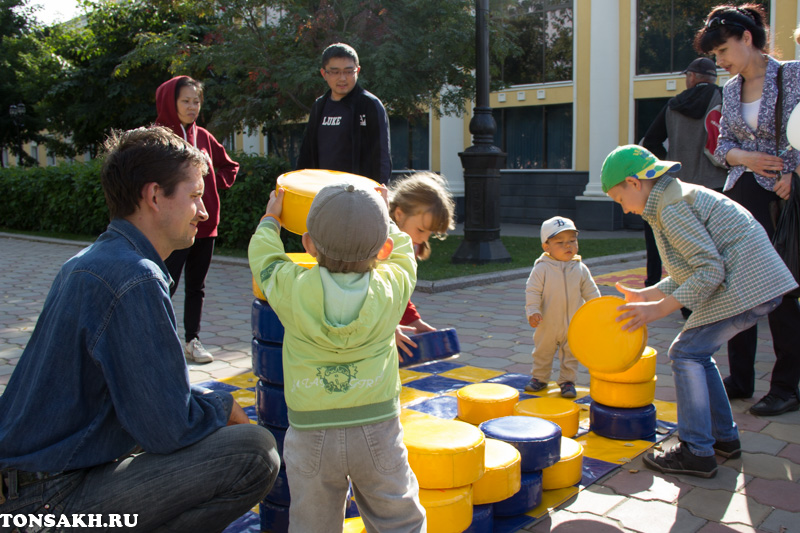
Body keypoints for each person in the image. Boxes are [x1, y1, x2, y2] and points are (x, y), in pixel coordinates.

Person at [0, 127, 279, 531]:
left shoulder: (93, 260)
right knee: (255, 452)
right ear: (153, 196)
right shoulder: (135, 278)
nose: (203, 212)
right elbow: (167, 429)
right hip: (49, 505)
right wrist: (222, 404)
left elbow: (147, 403)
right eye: (196, 196)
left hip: (30, 488)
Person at [601, 144, 797, 478]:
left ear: (634, 183)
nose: (624, 210)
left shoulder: (671, 206)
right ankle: (724, 438)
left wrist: (659, 309)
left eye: (619, 200)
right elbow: (687, 274)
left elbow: (709, 271)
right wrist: (645, 295)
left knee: (685, 353)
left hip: (747, 283)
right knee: (697, 352)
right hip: (752, 281)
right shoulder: (669, 198)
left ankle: (696, 450)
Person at [249, 181, 426, 532]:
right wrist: (387, 218)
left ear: (309, 244)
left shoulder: (292, 287)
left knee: (312, 523)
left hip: (311, 431)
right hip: (377, 428)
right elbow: (406, 253)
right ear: (384, 248)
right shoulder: (392, 286)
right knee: (398, 518)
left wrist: (271, 219)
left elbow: (264, 259)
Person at [694, 3, 800, 416]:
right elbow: (720, 148)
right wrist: (745, 157)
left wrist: (796, 173)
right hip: (743, 197)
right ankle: (740, 379)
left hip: (786, 198)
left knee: (782, 291)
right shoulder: (732, 90)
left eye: (722, 51)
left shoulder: (792, 74)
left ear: (747, 38)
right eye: (715, 56)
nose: (718, 62)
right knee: (738, 288)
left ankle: (786, 386)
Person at [155, 75, 239, 364]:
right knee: (165, 283)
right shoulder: (159, 138)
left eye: (197, 101)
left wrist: (213, 188)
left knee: (196, 286)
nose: (193, 107)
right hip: (173, 226)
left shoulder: (203, 136)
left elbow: (229, 166)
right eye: (186, 101)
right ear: (170, 101)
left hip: (205, 225)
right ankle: (156, 339)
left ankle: (193, 340)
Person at [641, 57, 728, 289]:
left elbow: (650, 141)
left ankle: (681, 298)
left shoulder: (673, 104)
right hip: (716, 185)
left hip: (679, 186)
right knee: (716, 247)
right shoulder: (724, 98)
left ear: (691, 77)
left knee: (683, 244)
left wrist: (667, 164)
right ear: (713, 77)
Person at [524, 216, 601, 398]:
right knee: (543, 351)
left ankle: (567, 381)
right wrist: (533, 311)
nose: (568, 246)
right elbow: (532, 291)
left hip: (573, 323)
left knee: (570, 354)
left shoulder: (580, 268)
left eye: (572, 241)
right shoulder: (542, 269)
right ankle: (539, 378)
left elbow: (591, 291)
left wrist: (598, 310)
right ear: (547, 247)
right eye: (560, 242)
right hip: (547, 322)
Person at [296, 42, 392, 184]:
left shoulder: (369, 105)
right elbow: (306, 154)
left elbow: (381, 157)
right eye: (335, 72)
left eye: (348, 71)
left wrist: (380, 194)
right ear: (324, 73)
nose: (342, 78)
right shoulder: (319, 106)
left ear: (357, 71)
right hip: (322, 193)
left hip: (358, 194)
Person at [389, 172, 456, 358]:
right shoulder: (377, 247)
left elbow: (397, 292)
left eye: (430, 233)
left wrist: (413, 321)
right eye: (420, 230)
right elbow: (364, 296)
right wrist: (386, 330)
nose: (423, 238)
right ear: (399, 214)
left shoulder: (412, 246)